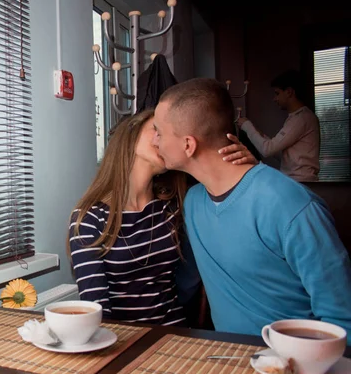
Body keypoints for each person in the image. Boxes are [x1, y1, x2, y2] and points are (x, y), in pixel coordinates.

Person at [153, 77, 351, 340]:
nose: (154, 141)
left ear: (188, 144)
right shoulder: (194, 202)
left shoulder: (290, 205)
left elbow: (342, 317)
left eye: (159, 132)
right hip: (227, 361)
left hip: (295, 366)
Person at [67, 109, 256, 326]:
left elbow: (236, 226)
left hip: (175, 334)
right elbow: (96, 307)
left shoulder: (175, 206)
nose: (162, 140)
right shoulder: (90, 218)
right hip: (119, 339)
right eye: (156, 129)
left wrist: (248, 173)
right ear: (131, 134)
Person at [236, 70, 320, 182]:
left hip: (301, 182)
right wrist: (260, 135)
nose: (274, 99)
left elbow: (267, 150)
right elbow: (281, 155)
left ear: (289, 92)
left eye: (277, 93)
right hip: (295, 181)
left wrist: (247, 126)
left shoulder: (302, 118)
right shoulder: (295, 118)